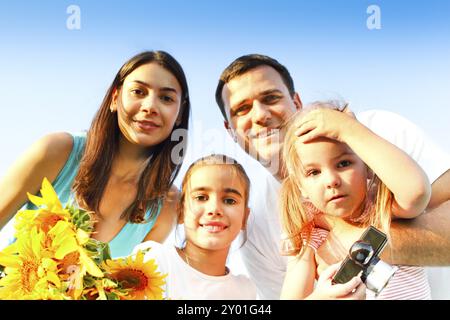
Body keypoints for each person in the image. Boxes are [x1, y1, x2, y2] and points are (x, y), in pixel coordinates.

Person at [215, 54, 450, 299]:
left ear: (296, 101)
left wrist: (350, 130)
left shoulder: (379, 173)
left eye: (271, 97)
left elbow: (416, 193)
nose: (260, 115)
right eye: (242, 109)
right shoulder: (292, 227)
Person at [0, 50, 191, 258]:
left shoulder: (167, 206)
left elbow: (128, 288)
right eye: (138, 92)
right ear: (115, 98)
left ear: (179, 114)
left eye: (166, 98)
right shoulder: (57, 151)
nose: (150, 106)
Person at [280, 102, 432, 299]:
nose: (331, 180)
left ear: (367, 166)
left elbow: (417, 191)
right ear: (301, 186)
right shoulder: (311, 235)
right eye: (314, 172)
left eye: (343, 164)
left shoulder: (384, 207)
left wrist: (348, 129)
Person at [132, 154, 257, 299]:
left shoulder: (245, 290)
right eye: (201, 197)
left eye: (229, 201)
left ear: (244, 218)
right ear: (180, 212)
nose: (214, 209)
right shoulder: (153, 258)